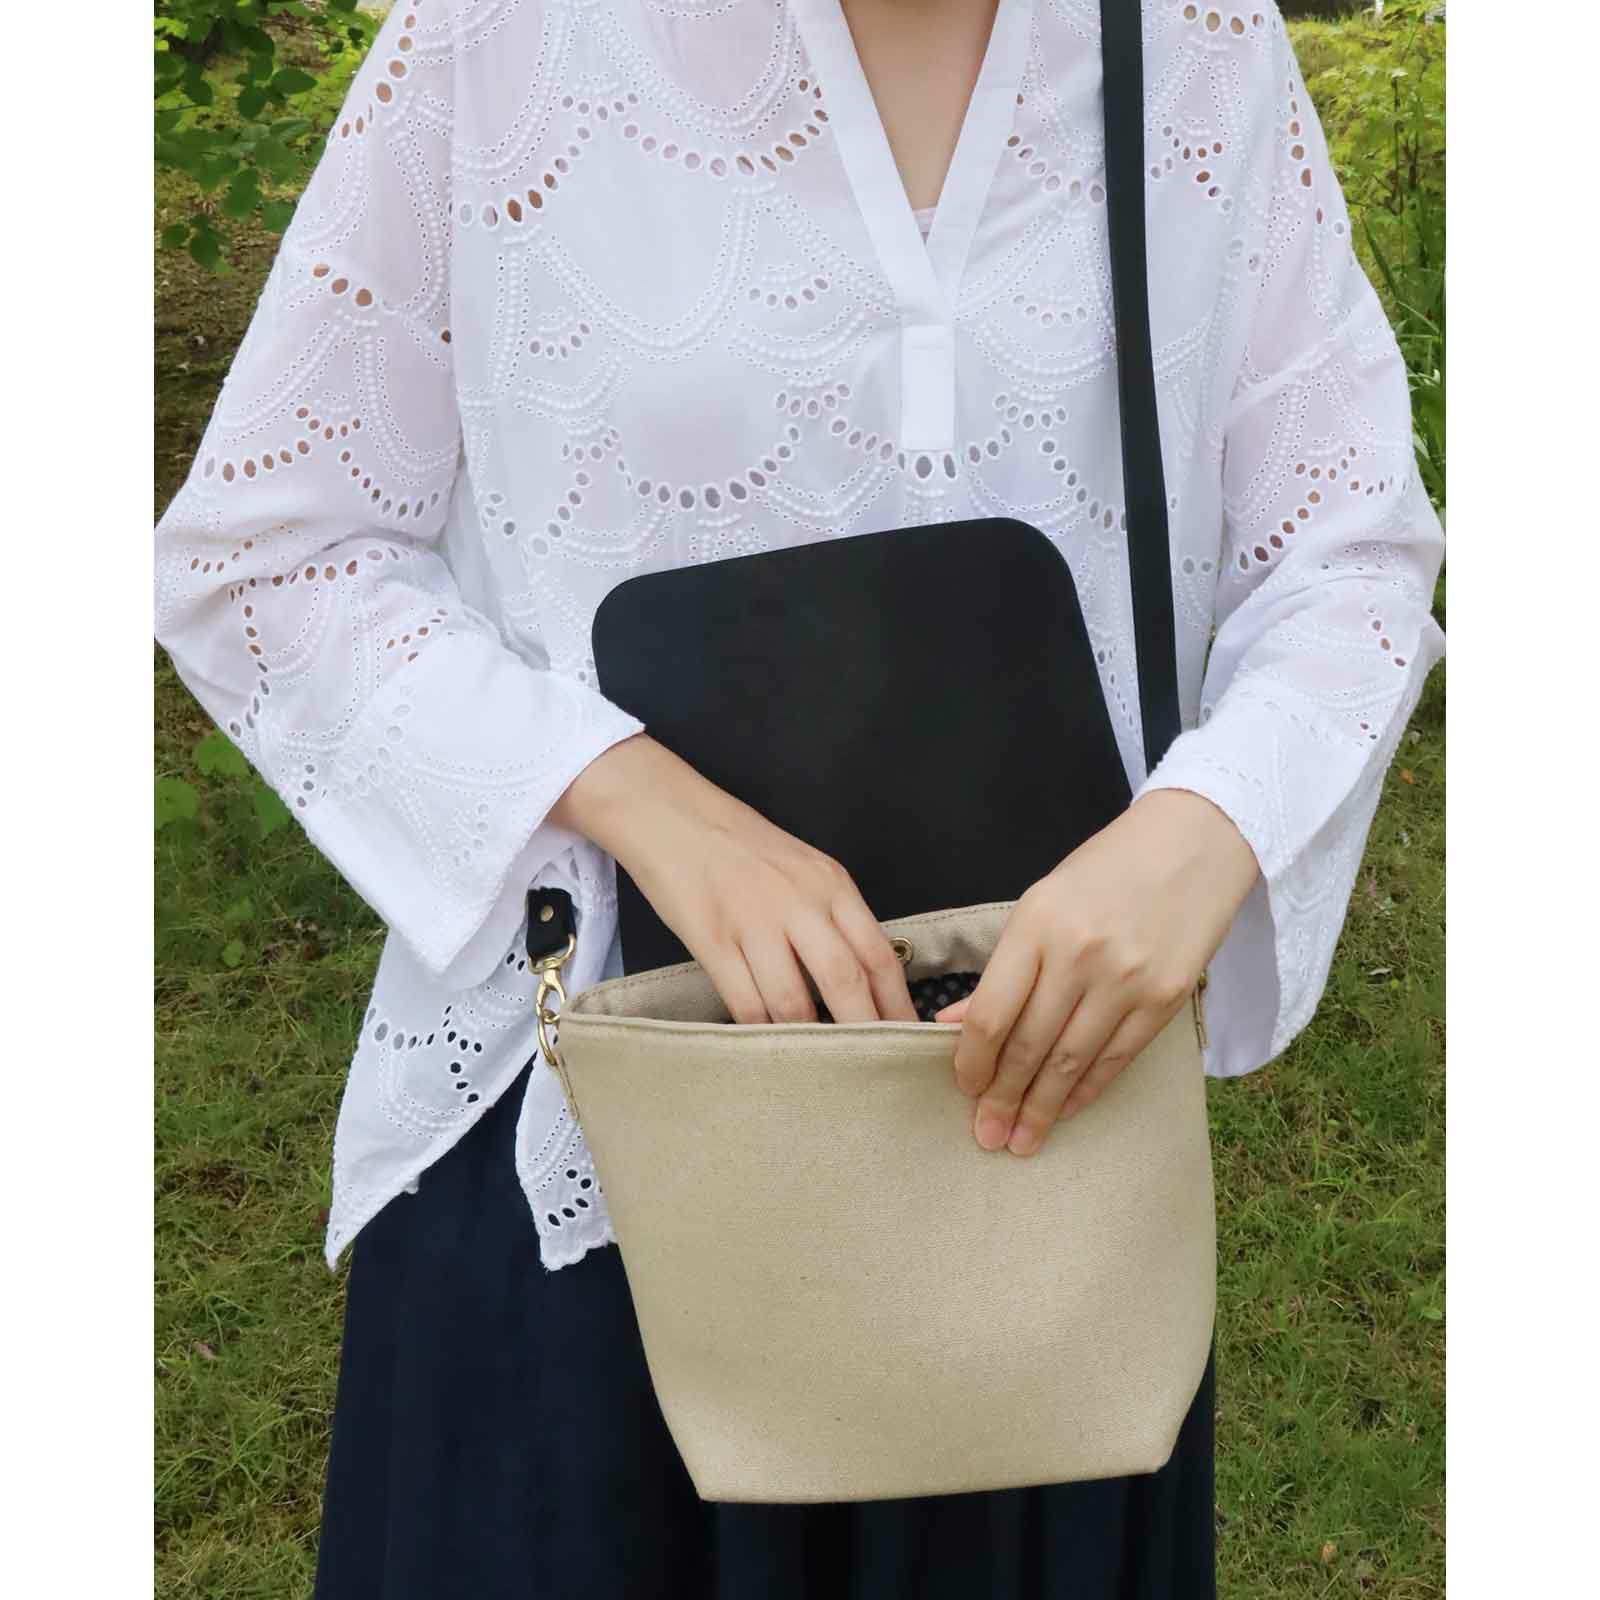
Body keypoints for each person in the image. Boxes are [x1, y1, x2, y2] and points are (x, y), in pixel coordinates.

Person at [152, 0, 1446, 1594]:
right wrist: (640, 801)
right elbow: (270, 555)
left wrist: (1209, 824)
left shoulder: (1193, 40)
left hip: (1034, 1175)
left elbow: (1350, 552)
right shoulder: (505, 38)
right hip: (613, 1157)